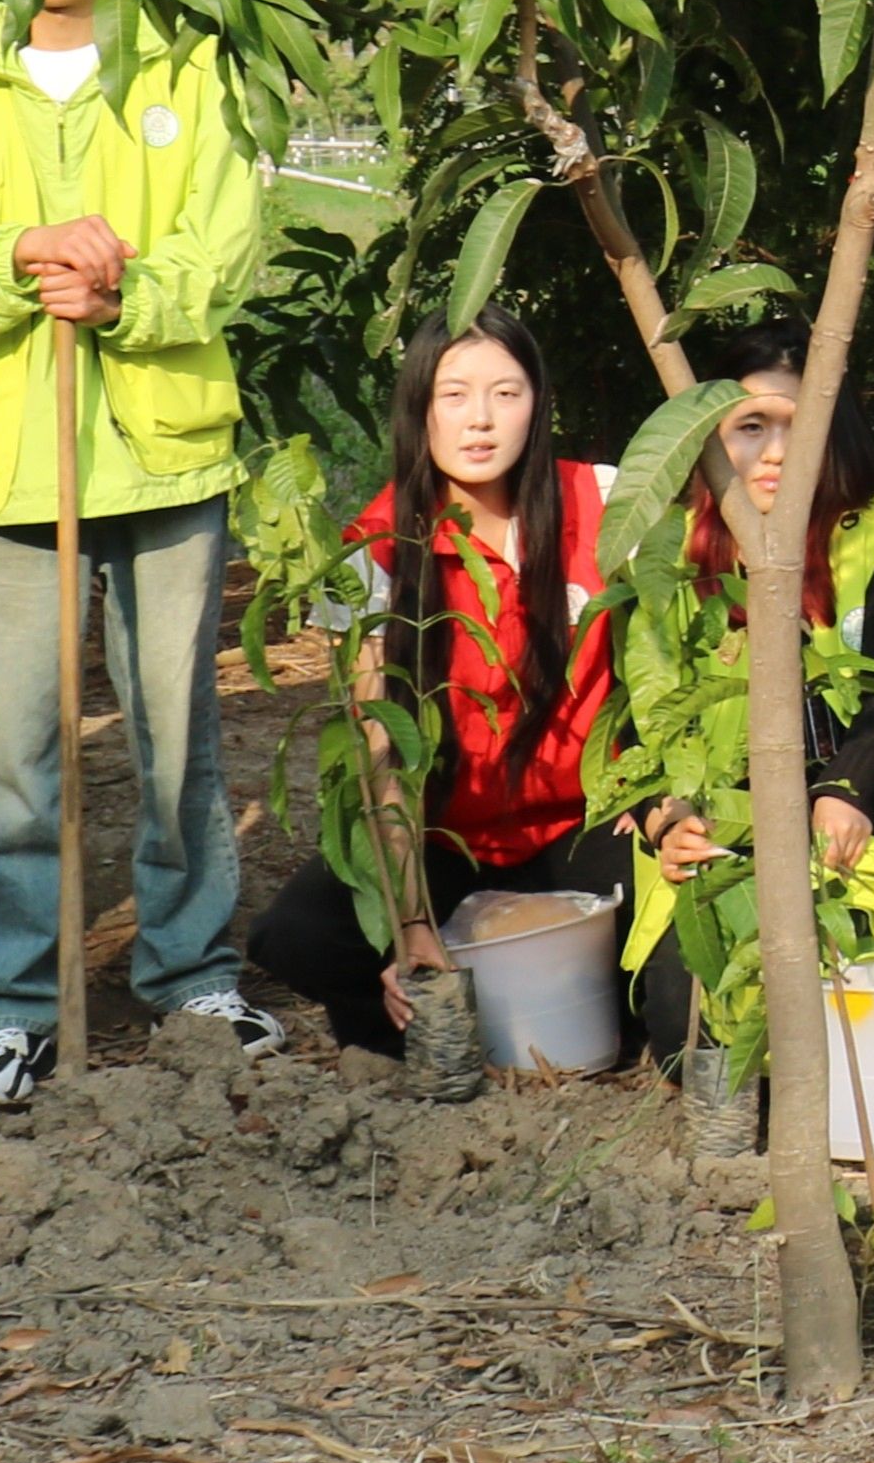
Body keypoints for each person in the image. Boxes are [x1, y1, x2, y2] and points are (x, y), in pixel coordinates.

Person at [0, 0, 278, 1110]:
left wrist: (122, 294)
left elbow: (228, 247)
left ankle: (193, 974)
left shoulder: (191, 68)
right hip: (5, 468)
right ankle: (12, 1007)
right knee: (12, 752)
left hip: (163, 453)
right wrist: (21, 254)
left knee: (177, 734)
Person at [252, 312, 661, 1056]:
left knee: (674, 951)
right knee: (298, 936)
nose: (481, 419)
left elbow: (667, 660)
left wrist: (655, 787)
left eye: (506, 393)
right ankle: (429, 1031)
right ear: (419, 408)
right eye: (454, 394)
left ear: (537, 403)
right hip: (449, 839)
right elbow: (381, 751)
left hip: (586, 822)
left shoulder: (605, 503)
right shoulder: (374, 554)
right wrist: (409, 922)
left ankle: (590, 1006)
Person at [643, 329, 874, 916]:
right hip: (718, 801)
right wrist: (667, 817)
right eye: (751, 427)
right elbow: (639, 716)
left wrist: (847, 787)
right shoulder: (666, 552)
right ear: (709, 437)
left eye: (801, 426)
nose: (777, 452)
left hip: (843, 791)